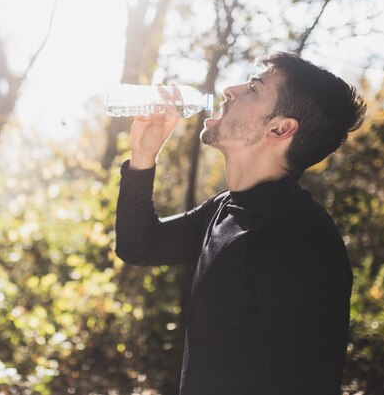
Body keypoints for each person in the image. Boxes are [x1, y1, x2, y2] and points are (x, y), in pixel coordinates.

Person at [114, 52, 367, 395]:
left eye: (253, 88)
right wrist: (144, 157)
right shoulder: (225, 208)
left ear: (279, 129)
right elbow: (139, 245)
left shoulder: (300, 240)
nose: (229, 90)